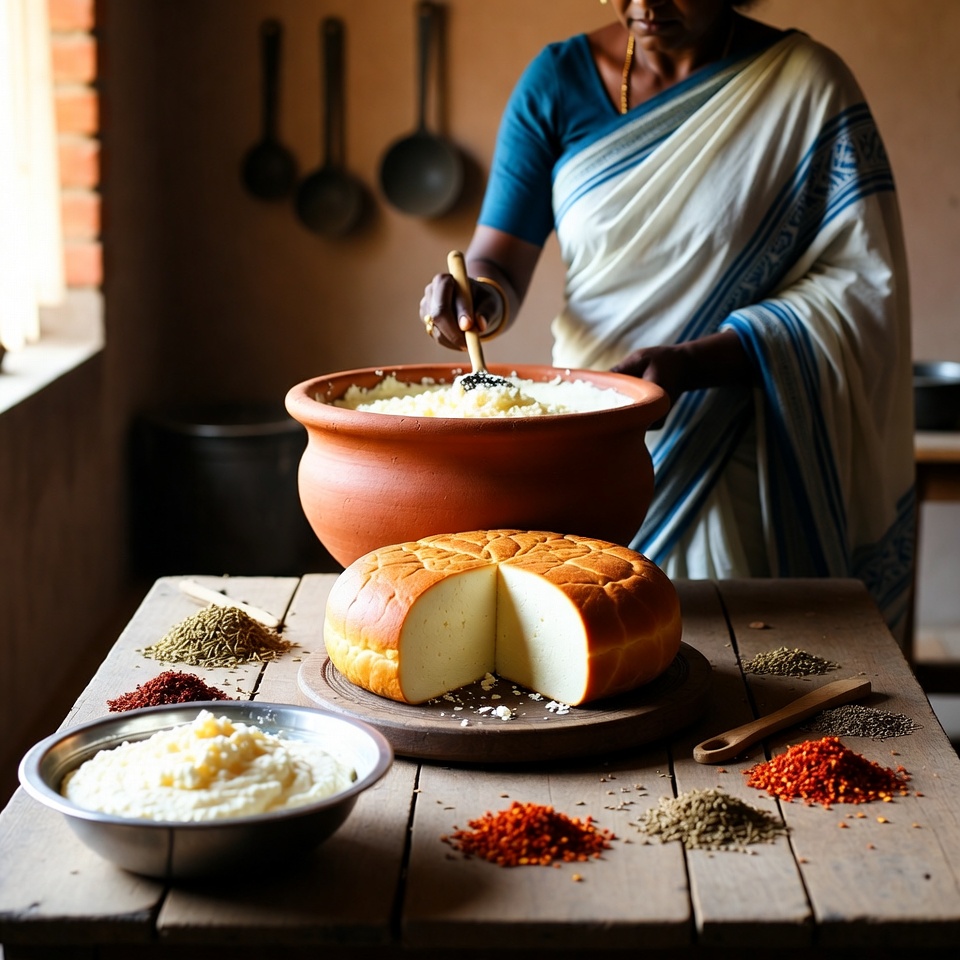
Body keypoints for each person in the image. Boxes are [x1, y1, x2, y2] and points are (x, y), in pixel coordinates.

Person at [418, 0, 914, 640]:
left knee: (735, 663)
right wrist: (476, 294)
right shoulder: (558, 80)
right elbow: (498, 258)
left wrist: (698, 362)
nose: (645, 6)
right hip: (592, 435)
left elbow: (861, 287)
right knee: (591, 650)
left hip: (737, 438)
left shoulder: (806, 84)